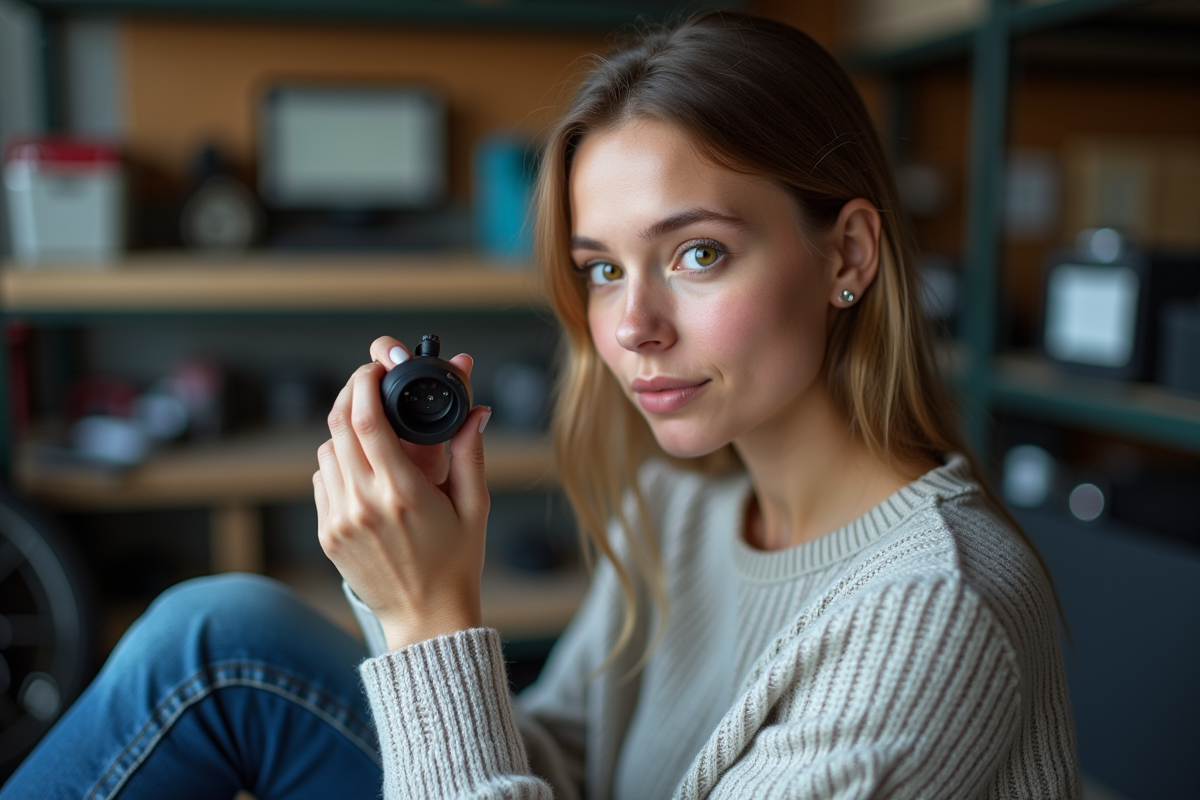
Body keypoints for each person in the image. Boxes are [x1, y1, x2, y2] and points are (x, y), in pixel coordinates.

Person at [3, 11, 1081, 800]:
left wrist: (433, 622)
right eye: (602, 268)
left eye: (697, 253)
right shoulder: (680, 506)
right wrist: (406, 578)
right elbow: (560, 755)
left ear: (846, 252)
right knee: (217, 628)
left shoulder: (937, 608)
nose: (632, 326)